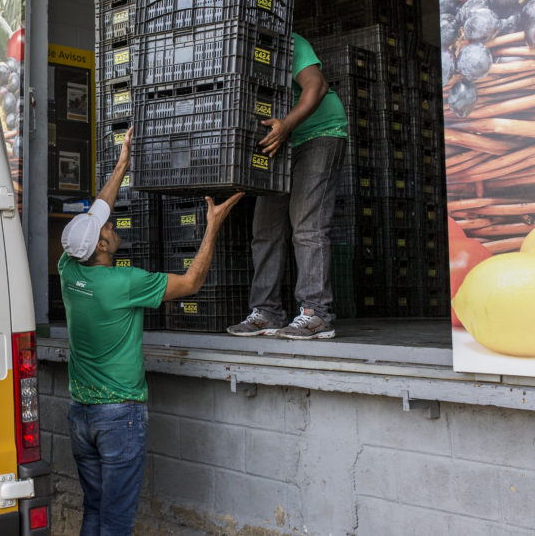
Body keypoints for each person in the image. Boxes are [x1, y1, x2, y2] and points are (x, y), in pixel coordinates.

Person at [59, 126, 243, 535]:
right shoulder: (125, 284)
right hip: (119, 416)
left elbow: (99, 212)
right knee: (117, 521)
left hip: (81, 416)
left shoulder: (68, 270)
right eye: (105, 229)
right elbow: (191, 283)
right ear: (103, 248)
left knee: (94, 510)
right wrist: (212, 225)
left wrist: (123, 162)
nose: (108, 225)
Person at [227, 32, 348, 340]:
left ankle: (316, 313)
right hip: (280, 141)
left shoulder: (287, 42)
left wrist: (286, 126)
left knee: (307, 225)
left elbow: (316, 86)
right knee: (265, 229)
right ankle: (266, 311)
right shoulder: (232, 52)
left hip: (319, 133)